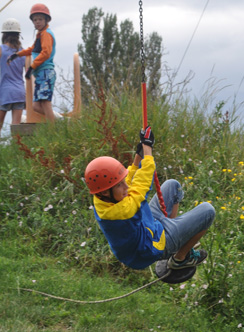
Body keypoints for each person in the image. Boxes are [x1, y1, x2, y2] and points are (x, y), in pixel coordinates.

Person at [84, 126, 215, 271]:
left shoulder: (101, 197)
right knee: (208, 211)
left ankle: (176, 239)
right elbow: (141, 184)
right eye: (120, 186)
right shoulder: (122, 211)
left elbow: (127, 177)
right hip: (147, 248)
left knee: (173, 186)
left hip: (146, 225)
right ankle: (179, 259)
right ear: (106, 193)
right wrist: (147, 149)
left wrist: (138, 155)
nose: (126, 187)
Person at [7, 3, 56, 123]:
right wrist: (17, 54)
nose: (37, 22)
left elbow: (45, 53)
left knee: (45, 101)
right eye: (35, 20)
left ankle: (54, 128)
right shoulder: (40, 35)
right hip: (40, 73)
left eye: (40, 19)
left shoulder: (47, 34)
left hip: (46, 71)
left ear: (46, 20)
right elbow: (32, 49)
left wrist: (31, 67)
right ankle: (58, 121)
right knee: (35, 106)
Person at [0, 18, 26, 132]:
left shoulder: (1, 50)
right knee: (16, 129)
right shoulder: (23, 52)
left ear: (4, 34)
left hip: (5, 92)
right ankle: (17, 148)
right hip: (19, 92)